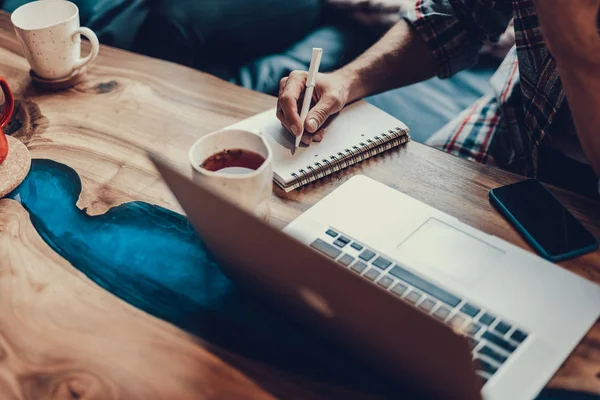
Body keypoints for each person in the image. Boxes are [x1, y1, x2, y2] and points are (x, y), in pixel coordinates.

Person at [277, 0, 600, 199]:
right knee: (403, 218)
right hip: (518, 115)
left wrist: (572, 44)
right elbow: (461, 14)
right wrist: (346, 81)